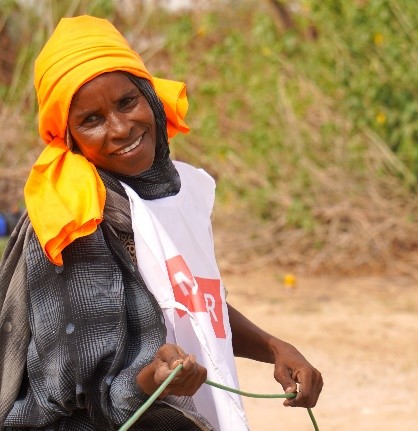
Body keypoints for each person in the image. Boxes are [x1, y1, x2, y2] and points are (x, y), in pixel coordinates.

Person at [0, 16, 322, 430]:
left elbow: (194, 303)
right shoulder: (76, 218)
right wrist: (154, 377)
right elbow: (89, 387)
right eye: (91, 120)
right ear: (69, 137)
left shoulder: (180, 189)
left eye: (126, 102)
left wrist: (276, 348)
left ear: (150, 96)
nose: (120, 129)